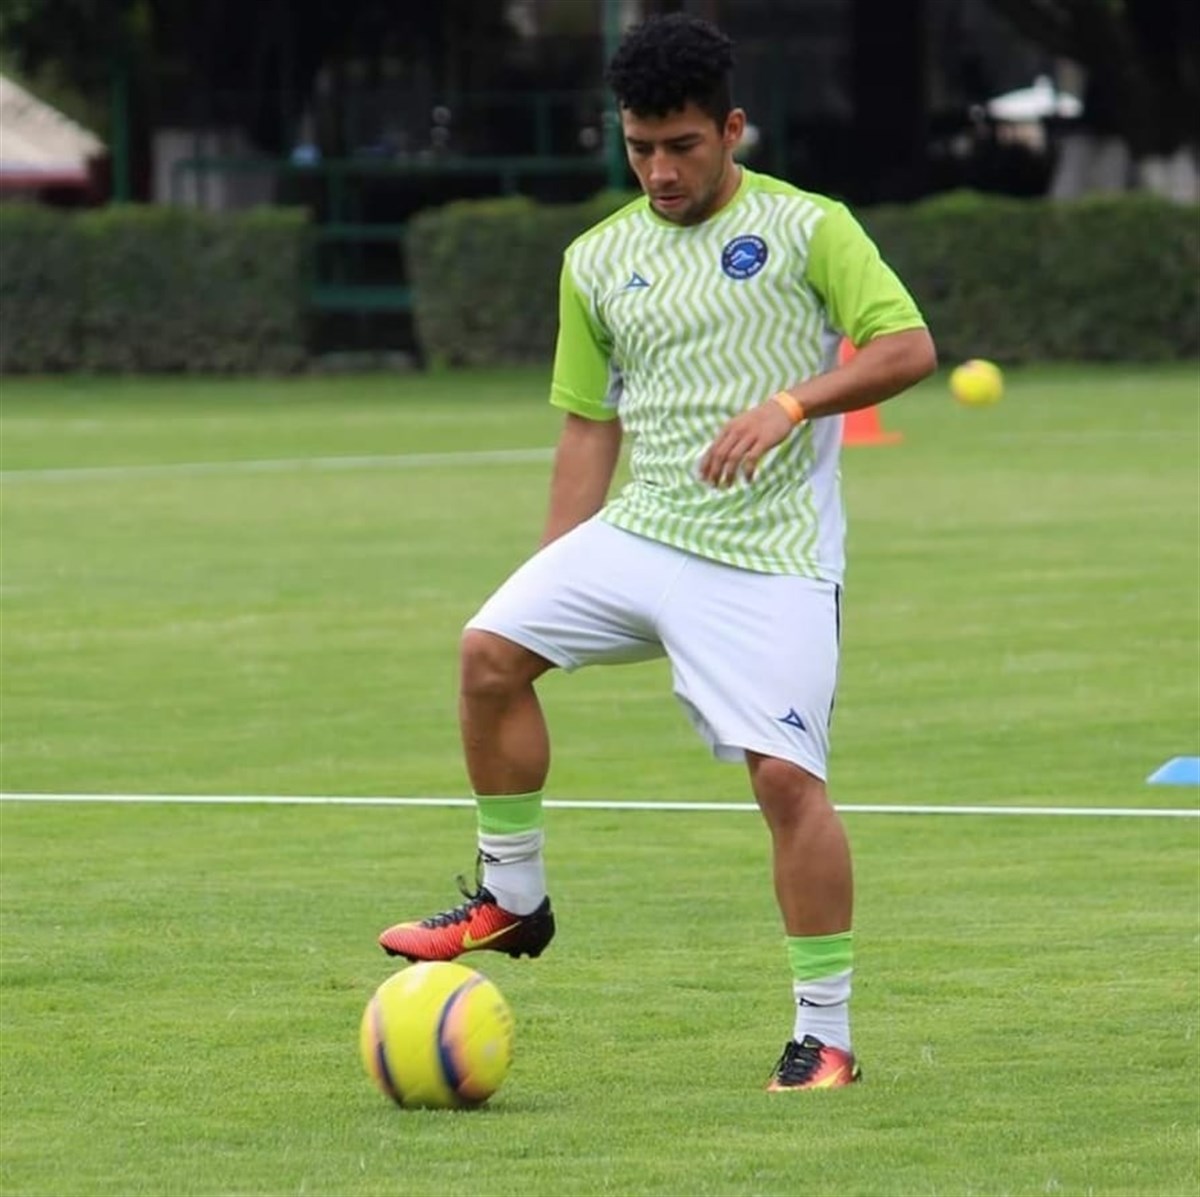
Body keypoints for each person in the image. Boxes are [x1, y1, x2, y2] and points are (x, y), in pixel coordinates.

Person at [379, 12, 937, 1092]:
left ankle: (825, 1034)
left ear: (731, 130)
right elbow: (590, 425)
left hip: (770, 557)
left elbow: (908, 347)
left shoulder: (810, 228)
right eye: (640, 147)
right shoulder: (596, 259)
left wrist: (791, 402)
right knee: (489, 652)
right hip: (641, 534)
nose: (661, 169)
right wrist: (547, 577)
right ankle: (515, 898)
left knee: (787, 781)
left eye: (682, 145)